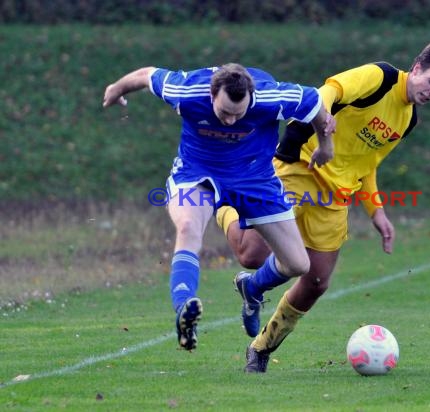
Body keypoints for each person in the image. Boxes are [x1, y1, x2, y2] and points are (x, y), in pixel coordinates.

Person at [216, 41, 430, 372]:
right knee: (251, 255)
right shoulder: (380, 77)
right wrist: (326, 139)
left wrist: (376, 211)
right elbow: (327, 93)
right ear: (417, 68)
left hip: (334, 197)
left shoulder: (408, 120)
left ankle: (261, 348)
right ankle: (223, 198)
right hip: (299, 166)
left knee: (317, 281)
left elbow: (366, 163)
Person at [102, 63, 335, 351]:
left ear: (251, 96)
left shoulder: (270, 97)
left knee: (298, 264)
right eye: (224, 113)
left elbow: (314, 102)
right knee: (188, 227)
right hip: (198, 174)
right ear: (211, 95)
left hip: (255, 178)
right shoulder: (187, 90)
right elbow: (145, 75)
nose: (230, 121)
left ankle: (252, 288)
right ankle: (184, 310)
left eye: (239, 114)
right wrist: (117, 88)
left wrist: (326, 146)